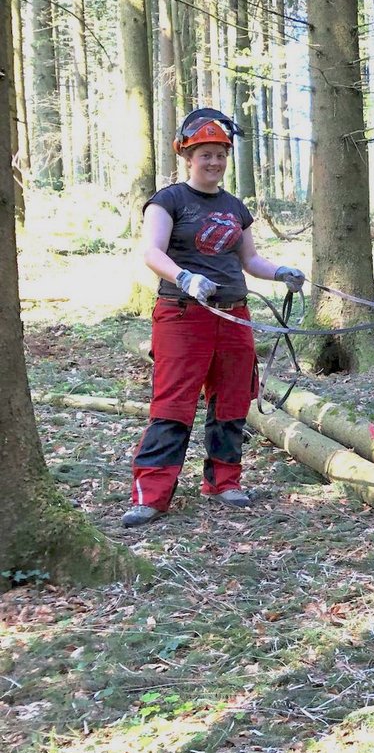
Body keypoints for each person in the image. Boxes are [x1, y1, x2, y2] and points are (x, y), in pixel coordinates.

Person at [124, 108, 306, 529]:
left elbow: (251, 260)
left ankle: (224, 482)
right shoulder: (168, 200)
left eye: (220, 155)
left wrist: (281, 272)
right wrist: (184, 277)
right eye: (205, 154)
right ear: (188, 157)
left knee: (231, 402)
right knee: (173, 405)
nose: (213, 162)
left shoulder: (234, 207)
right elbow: (151, 252)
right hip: (183, 316)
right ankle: (151, 494)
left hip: (234, 316)